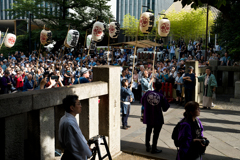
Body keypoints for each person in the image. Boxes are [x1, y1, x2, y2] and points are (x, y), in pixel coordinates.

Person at [59, 95, 92, 160]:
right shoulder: (70, 123)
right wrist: (89, 152)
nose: (81, 106)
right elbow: (80, 141)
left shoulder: (64, 118)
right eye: (78, 104)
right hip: (73, 156)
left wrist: (87, 145)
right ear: (72, 108)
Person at [141, 80, 170, 154]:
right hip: (157, 117)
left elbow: (142, 102)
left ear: (153, 86)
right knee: (156, 133)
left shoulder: (147, 93)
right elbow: (165, 109)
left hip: (149, 116)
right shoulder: (161, 96)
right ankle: (154, 148)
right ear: (161, 87)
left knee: (148, 131)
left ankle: (147, 146)